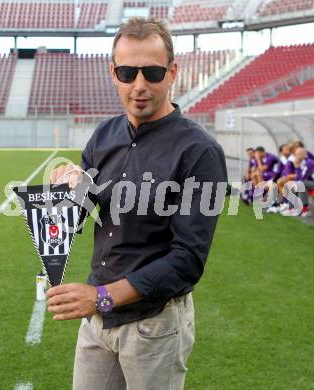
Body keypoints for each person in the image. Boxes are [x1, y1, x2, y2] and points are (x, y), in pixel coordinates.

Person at [47, 17, 227, 390]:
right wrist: (67, 190)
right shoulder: (104, 134)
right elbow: (74, 217)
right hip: (98, 323)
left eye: (153, 72)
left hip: (154, 324)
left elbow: (187, 262)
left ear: (173, 71)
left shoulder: (200, 152)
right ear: (113, 73)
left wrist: (101, 297)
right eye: (128, 72)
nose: (140, 85)